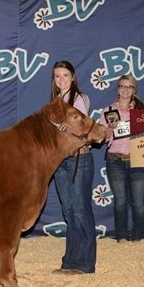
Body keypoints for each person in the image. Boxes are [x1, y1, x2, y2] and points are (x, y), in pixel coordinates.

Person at [50, 61, 96, 275]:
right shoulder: (55, 102)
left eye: (65, 75)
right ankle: (69, 261)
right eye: (57, 76)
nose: (61, 79)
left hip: (79, 159)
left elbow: (77, 130)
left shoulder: (80, 99)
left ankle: (85, 264)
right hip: (61, 161)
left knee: (80, 211)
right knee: (69, 212)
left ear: (73, 77)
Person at [100, 74, 144, 243]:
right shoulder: (109, 111)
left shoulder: (143, 111)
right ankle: (121, 236)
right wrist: (110, 129)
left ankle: (138, 237)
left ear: (134, 90)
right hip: (115, 160)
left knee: (138, 202)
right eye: (122, 86)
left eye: (129, 87)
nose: (125, 90)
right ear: (117, 89)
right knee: (120, 201)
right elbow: (102, 139)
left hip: (139, 160)